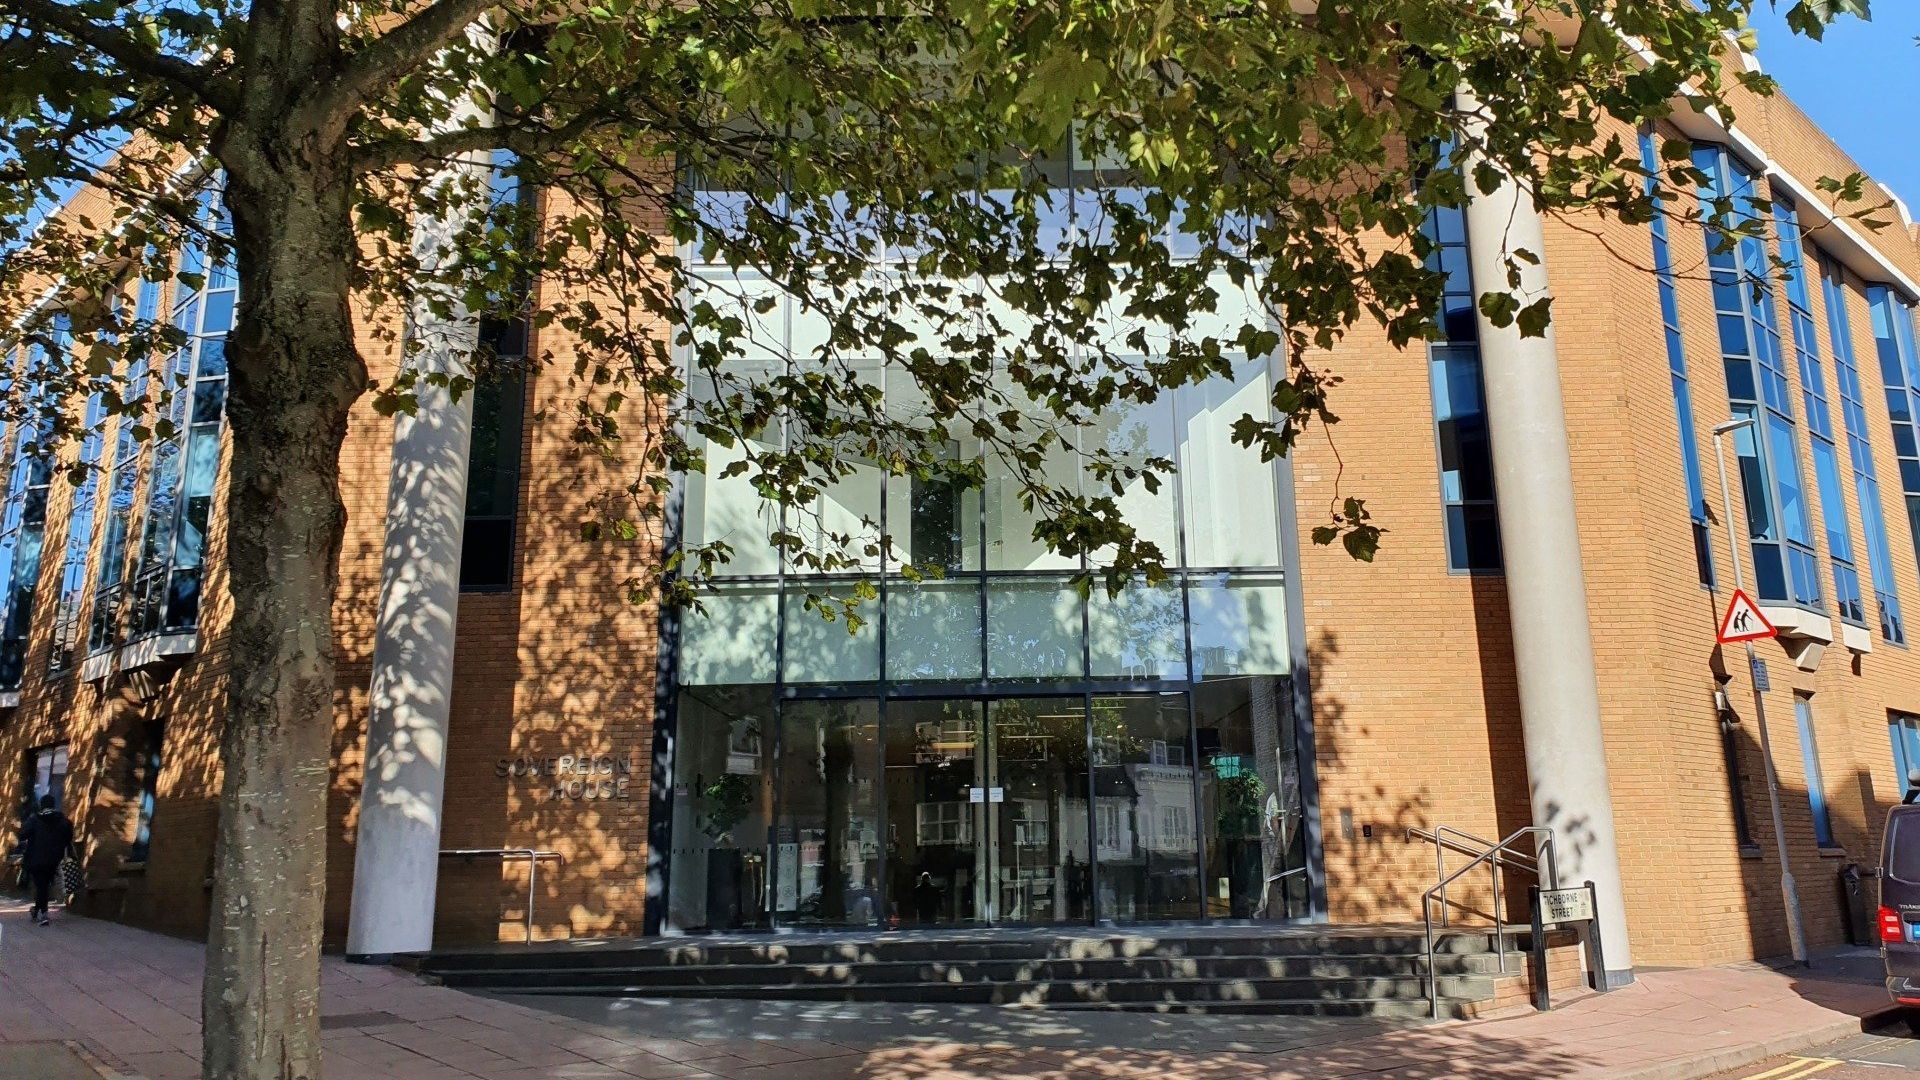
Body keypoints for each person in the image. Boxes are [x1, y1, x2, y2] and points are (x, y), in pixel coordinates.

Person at [17, 794, 74, 926]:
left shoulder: (35, 819)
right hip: (54, 858)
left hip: (36, 858)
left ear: (42, 805)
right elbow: (68, 836)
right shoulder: (62, 820)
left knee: (41, 885)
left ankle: (44, 914)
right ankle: (36, 910)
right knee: (44, 885)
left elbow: (23, 835)